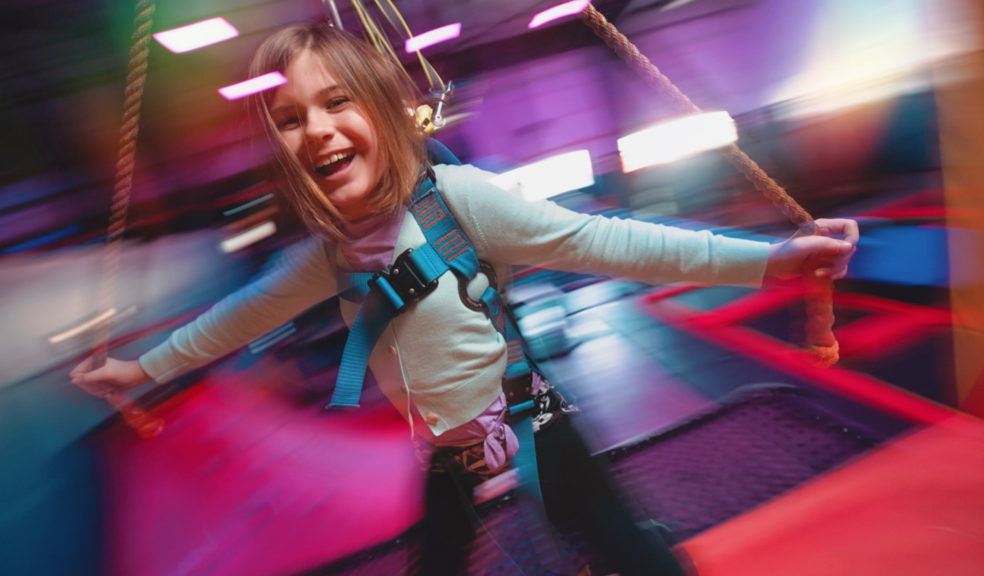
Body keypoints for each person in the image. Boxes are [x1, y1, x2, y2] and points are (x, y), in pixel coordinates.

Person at [71, 21, 858, 576]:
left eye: (338, 102)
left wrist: (777, 261)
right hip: (444, 443)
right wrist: (143, 370)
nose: (316, 129)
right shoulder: (327, 257)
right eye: (290, 118)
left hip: (526, 408)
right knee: (442, 558)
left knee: (604, 530)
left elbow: (613, 241)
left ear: (383, 111)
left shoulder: (460, 200)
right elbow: (237, 316)